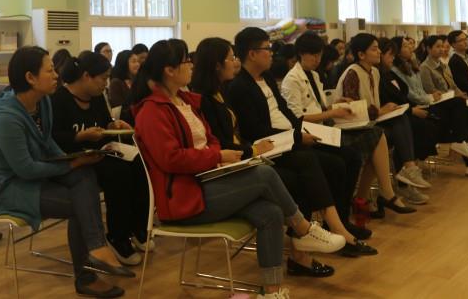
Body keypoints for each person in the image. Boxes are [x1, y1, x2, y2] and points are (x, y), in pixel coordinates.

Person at [132, 39, 345, 299]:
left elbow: (210, 138)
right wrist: (216, 156)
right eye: (186, 61)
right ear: (169, 70)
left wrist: (217, 156)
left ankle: (272, 291)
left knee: (270, 212)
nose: (191, 65)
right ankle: (302, 229)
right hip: (184, 198)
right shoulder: (152, 111)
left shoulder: (185, 102)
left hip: (206, 181)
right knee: (265, 174)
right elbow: (171, 159)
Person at [0, 46, 128, 298]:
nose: (57, 75)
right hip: (3, 188)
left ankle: (96, 249)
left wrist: (75, 160)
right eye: (50, 70)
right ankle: (88, 269)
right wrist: (72, 164)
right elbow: (25, 168)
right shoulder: (6, 117)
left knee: (85, 175)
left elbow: (48, 144)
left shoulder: (42, 102)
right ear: (30, 78)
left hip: (30, 176)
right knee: (81, 201)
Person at [192, 37, 353, 277]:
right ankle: (308, 235)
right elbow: (223, 142)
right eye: (230, 58)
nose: (234, 62)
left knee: (322, 163)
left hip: (246, 154)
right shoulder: (213, 95)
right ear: (216, 64)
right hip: (230, 165)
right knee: (298, 170)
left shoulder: (221, 91)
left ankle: (307, 244)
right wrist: (253, 150)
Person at [227, 28, 378, 255]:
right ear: (252, 54)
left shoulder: (267, 78)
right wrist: (297, 137)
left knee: (349, 156)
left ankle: (339, 222)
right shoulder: (240, 87)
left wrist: (301, 131)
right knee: (321, 163)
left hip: (292, 136)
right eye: (267, 48)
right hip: (274, 146)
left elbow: (287, 113)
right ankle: (335, 230)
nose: (271, 53)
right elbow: (255, 130)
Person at [51, 51, 150, 266]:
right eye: (103, 78)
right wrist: (80, 137)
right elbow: (53, 138)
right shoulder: (59, 99)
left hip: (100, 153)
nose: (105, 84)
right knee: (118, 173)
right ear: (86, 76)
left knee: (139, 163)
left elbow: (105, 125)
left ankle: (138, 227)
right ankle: (117, 236)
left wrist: (114, 125)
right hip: (76, 159)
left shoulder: (96, 98)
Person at [391, 36, 468, 178]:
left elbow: (432, 89)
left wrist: (439, 95)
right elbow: (412, 94)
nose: (411, 47)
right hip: (423, 105)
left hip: (431, 101)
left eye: (411, 45)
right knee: (461, 109)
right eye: (406, 46)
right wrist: (431, 96)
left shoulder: (414, 66)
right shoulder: (415, 68)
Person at [332, 33, 419, 214]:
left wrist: (383, 110)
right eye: (374, 48)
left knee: (392, 126)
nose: (379, 51)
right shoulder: (352, 73)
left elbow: (372, 107)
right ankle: (385, 193)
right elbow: (352, 109)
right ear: (361, 54)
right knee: (379, 138)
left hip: (367, 125)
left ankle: (362, 200)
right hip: (348, 129)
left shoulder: (375, 72)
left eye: (378, 48)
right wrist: (379, 111)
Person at [376, 38, 436, 205]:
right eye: (389, 55)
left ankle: (410, 171)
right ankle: (406, 177)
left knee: (425, 124)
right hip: (387, 118)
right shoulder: (378, 75)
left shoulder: (389, 73)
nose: (392, 58)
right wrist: (411, 110)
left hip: (399, 113)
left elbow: (403, 93)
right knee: (411, 126)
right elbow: (386, 101)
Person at [108, 50, 140, 118]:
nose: (137, 64)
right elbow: (118, 109)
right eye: (134, 61)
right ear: (124, 63)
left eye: (138, 61)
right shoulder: (116, 83)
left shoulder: (138, 81)